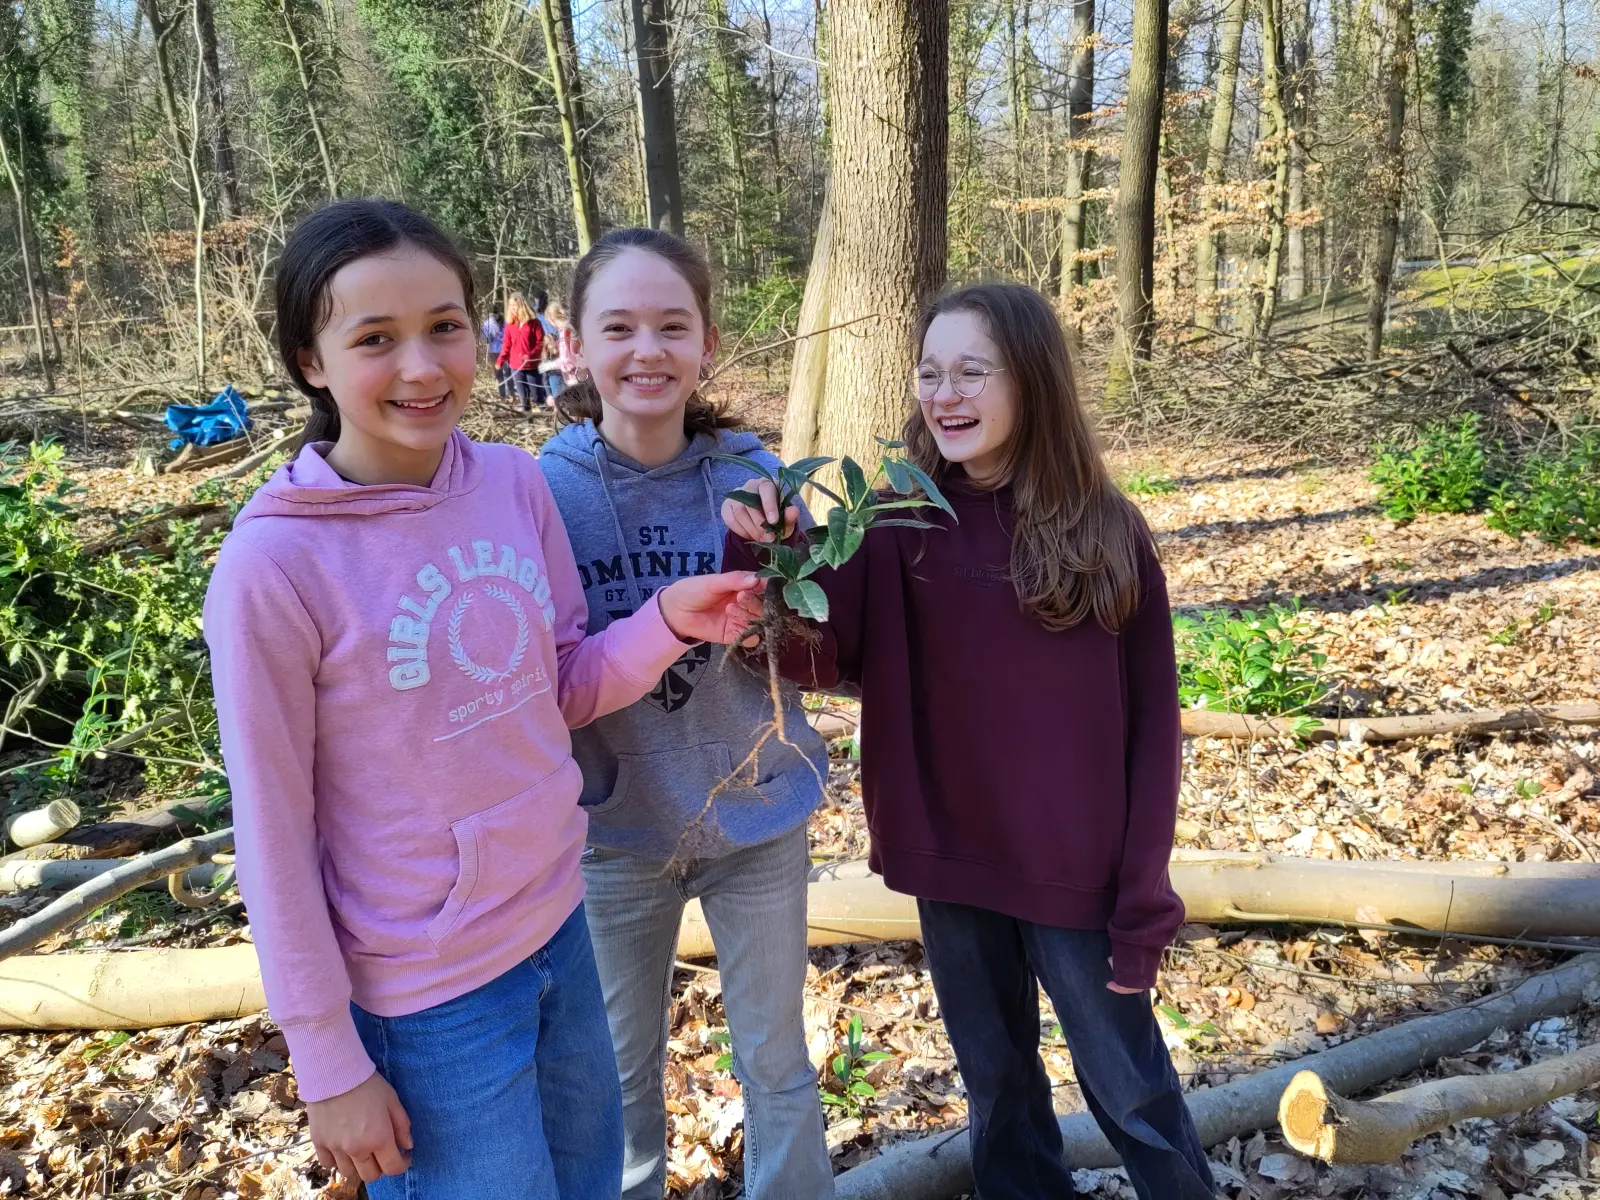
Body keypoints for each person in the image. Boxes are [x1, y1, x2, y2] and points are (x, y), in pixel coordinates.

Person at [204, 198, 764, 1200]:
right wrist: (326, 1058)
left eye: (444, 326)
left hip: (560, 927)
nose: (422, 368)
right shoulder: (273, 566)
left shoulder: (510, 484)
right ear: (309, 361)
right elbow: (273, 832)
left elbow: (561, 687)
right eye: (375, 339)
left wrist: (667, 620)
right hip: (427, 997)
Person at [722, 283, 1217, 1200]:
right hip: (951, 862)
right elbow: (807, 654)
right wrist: (766, 551)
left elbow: (1154, 729)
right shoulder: (894, 526)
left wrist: (1144, 895)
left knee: (1131, 1090)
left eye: (971, 373)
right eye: (930, 373)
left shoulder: (1104, 531)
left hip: (1077, 872)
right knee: (998, 1090)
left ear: (1030, 381)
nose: (944, 395)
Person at [540, 227, 835, 1200]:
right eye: (618, 327)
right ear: (574, 345)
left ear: (707, 341)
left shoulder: (756, 475)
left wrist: (780, 595)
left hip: (756, 813)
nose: (647, 351)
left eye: (673, 326)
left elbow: (818, 652)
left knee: (776, 1064)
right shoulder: (542, 493)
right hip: (611, 835)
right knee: (619, 1083)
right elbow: (539, 679)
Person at [497, 291, 542, 413]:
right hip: (516, 367)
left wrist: (530, 355)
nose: (512, 308)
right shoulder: (510, 325)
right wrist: (500, 360)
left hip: (532, 366)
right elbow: (506, 344)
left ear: (522, 305)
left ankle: (545, 417)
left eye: (515, 305)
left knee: (538, 397)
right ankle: (528, 420)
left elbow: (540, 343)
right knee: (524, 399)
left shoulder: (534, 323)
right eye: (511, 305)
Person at [540, 300, 570, 403]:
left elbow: (569, 361)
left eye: (549, 322)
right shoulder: (561, 332)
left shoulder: (567, 332)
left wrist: (551, 365)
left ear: (551, 319)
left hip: (576, 380)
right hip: (569, 378)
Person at [481, 304, 509, 399]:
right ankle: (503, 394)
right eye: (491, 315)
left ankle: (509, 392)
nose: (493, 317)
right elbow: (486, 340)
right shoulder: (487, 324)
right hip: (494, 351)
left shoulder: (504, 323)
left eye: (494, 314)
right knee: (498, 373)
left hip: (504, 350)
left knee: (506, 371)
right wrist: (489, 336)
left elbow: (508, 336)